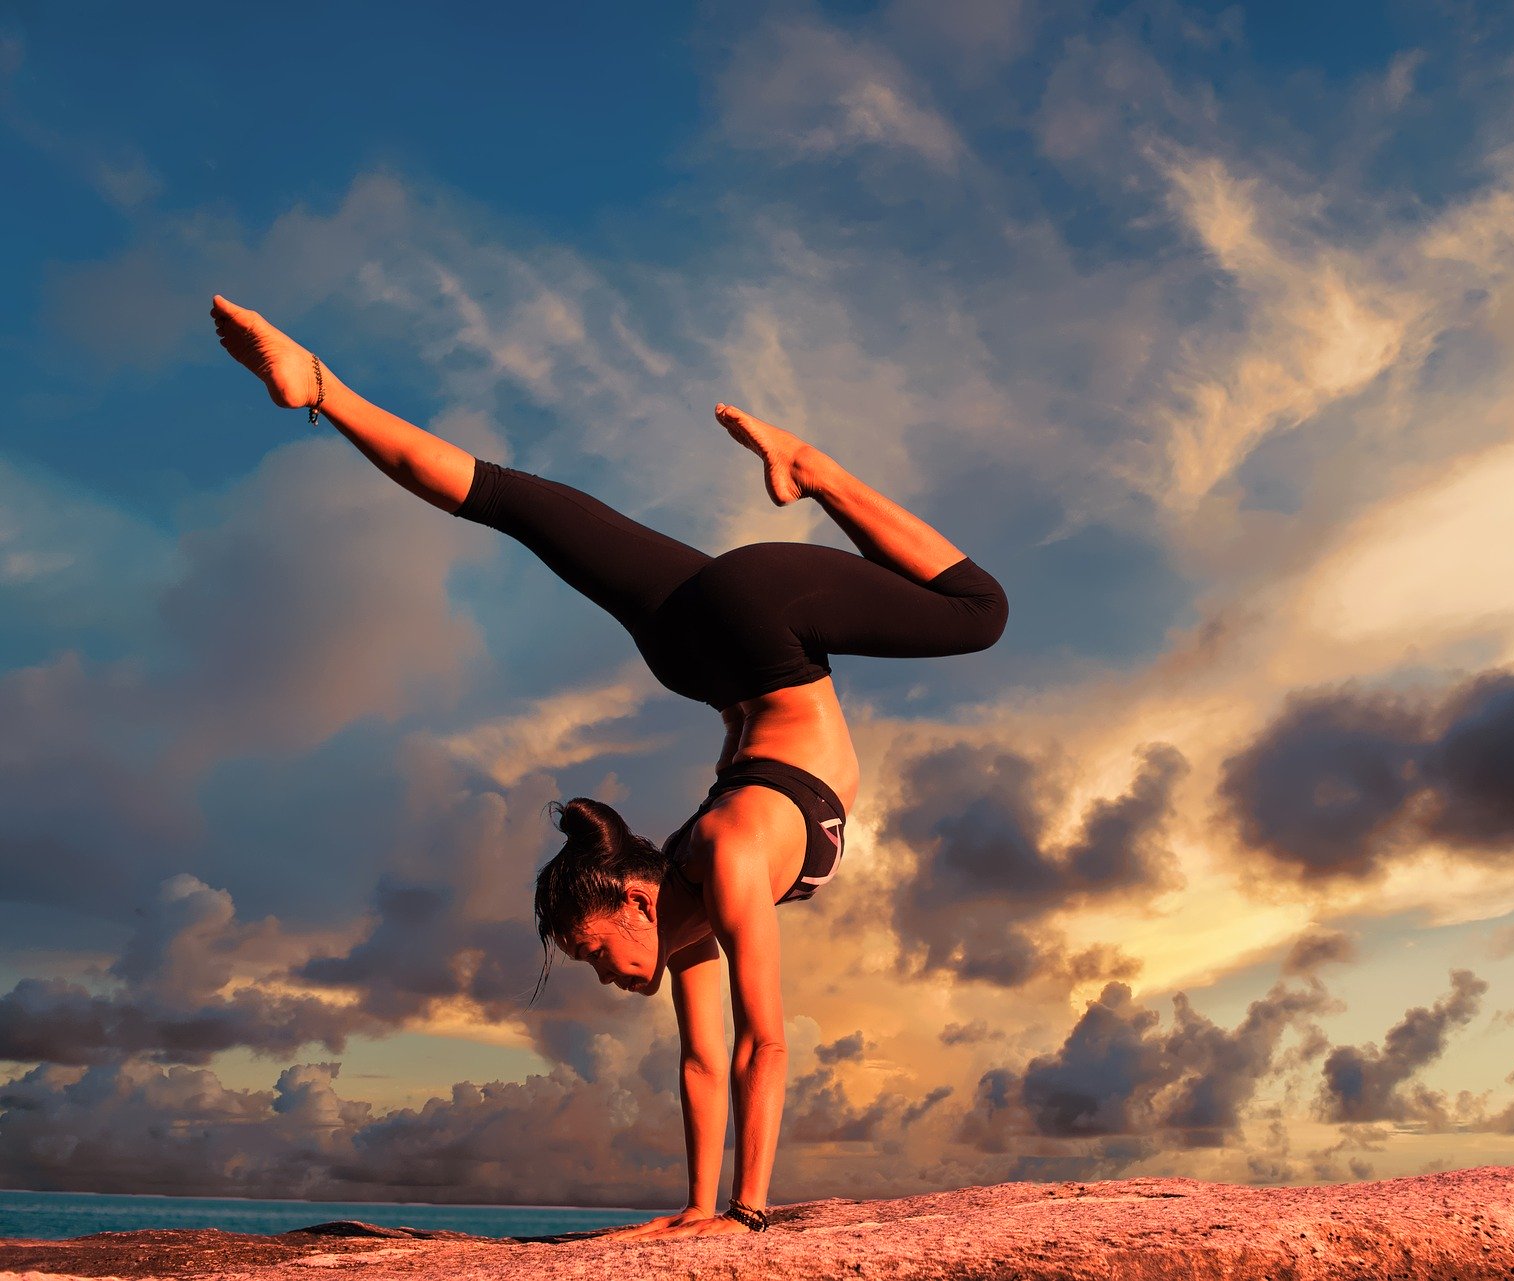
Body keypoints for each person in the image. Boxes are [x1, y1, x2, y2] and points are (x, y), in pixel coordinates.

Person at [208, 295, 1008, 1241]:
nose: (604, 976)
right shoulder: (690, 905)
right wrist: (696, 1212)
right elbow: (705, 1061)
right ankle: (322, 388)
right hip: (699, 648)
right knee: (507, 500)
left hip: (765, 628)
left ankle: (812, 468)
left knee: (977, 611)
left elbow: (767, 1040)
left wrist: (747, 1215)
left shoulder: (726, 854)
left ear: (635, 897)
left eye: (593, 951)